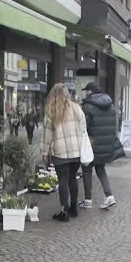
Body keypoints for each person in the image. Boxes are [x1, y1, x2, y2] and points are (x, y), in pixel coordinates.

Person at [41, 83, 86, 222]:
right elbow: (83, 129)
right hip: (75, 151)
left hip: (60, 152)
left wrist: (44, 152)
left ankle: (64, 211)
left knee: (63, 181)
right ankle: (73, 208)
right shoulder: (77, 108)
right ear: (67, 94)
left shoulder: (51, 110)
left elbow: (47, 135)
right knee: (73, 179)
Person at [79, 82, 122, 209]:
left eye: (86, 91)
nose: (85, 93)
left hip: (91, 143)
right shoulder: (110, 105)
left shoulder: (87, 106)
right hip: (104, 144)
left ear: (90, 92)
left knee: (86, 169)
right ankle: (109, 196)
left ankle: (88, 200)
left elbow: (84, 126)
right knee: (100, 169)